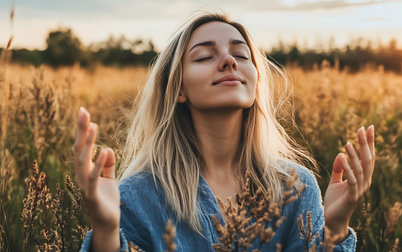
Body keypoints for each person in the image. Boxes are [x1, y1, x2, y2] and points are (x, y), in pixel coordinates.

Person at [75, 12, 375, 252]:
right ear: (178, 88)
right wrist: (106, 233)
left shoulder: (296, 188)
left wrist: (335, 228)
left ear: (256, 82)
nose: (229, 61)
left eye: (242, 56)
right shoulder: (138, 196)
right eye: (205, 57)